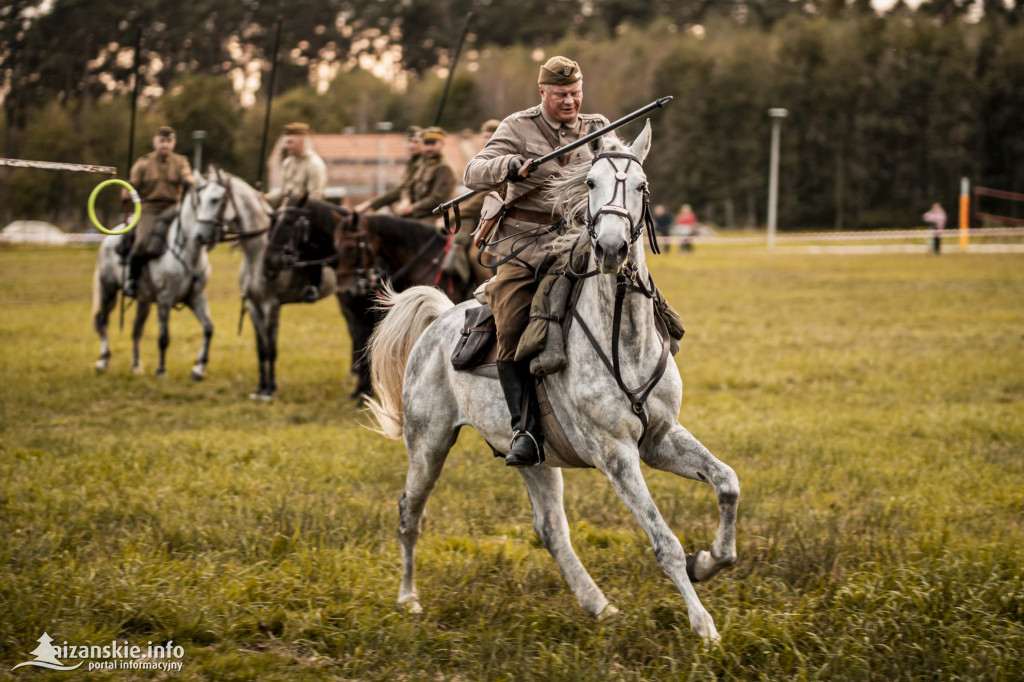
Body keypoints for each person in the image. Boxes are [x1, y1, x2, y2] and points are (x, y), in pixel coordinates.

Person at [464, 56, 610, 467]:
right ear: (542, 92)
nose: (571, 101)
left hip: (578, 242)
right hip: (523, 245)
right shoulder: (516, 126)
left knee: (630, 292)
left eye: (576, 93)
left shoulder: (597, 127)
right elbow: (472, 172)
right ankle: (523, 430)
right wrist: (508, 166)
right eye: (562, 94)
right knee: (511, 322)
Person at [122, 125, 194, 297]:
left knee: (194, 235)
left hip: (173, 209)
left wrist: (190, 181)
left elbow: (187, 177)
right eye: (162, 141)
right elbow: (132, 186)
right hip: (150, 209)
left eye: (169, 141)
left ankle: (194, 277)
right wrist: (126, 190)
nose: (165, 145)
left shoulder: (181, 162)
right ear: (155, 142)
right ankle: (132, 280)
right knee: (141, 242)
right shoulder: (143, 163)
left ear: (173, 143)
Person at [264, 122, 330, 302]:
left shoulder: (315, 164)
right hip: (286, 214)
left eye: (290, 142)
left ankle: (313, 285)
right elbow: (284, 191)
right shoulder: (288, 162)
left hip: (306, 215)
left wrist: (293, 210)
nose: (286, 146)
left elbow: (316, 197)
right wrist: (264, 198)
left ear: (302, 141)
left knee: (309, 242)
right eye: (286, 142)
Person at [442, 119, 502, 284]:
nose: (487, 140)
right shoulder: (482, 160)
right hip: (482, 218)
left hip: (499, 219)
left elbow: (484, 196)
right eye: (485, 136)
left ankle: (491, 292)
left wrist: (453, 215)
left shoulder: (502, 161)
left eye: (492, 136)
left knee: (476, 255)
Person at [394, 127, 455, 222]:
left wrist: (411, 208)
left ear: (442, 143)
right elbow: (408, 186)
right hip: (414, 215)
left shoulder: (444, 168)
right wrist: (405, 200)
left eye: (433, 144)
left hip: (432, 217)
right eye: (426, 143)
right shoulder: (423, 164)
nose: (429, 148)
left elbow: (437, 199)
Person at [356, 126, 423, 213]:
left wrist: (370, 204)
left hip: (417, 210)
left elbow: (403, 188)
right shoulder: (412, 162)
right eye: (409, 141)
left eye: (416, 142)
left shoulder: (421, 164)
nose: (412, 146)